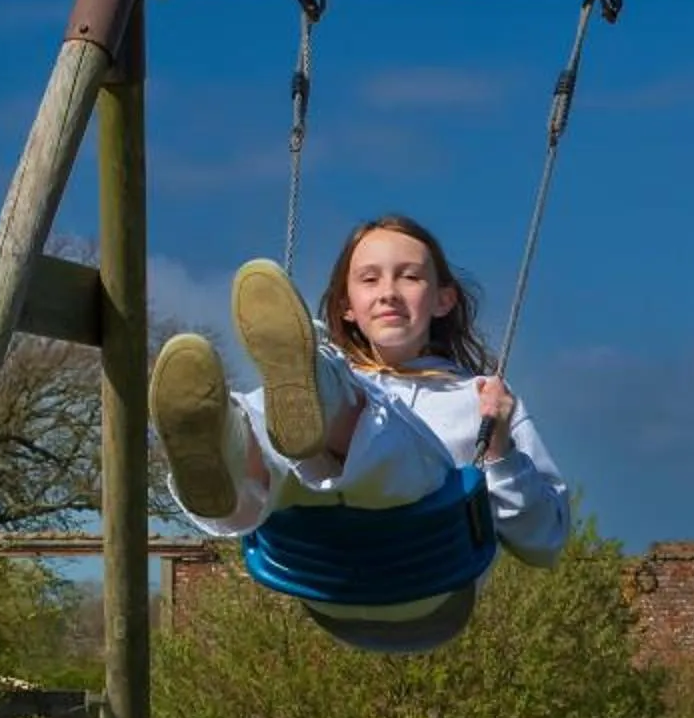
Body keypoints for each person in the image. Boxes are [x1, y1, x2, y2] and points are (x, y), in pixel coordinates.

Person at [148, 215, 573, 654]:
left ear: (444, 299)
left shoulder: (478, 397)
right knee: (265, 417)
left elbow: (546, 543)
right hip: (317, 566)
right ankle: (222, 457)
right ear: (347, 305)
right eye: (369, 279)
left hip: (427, 578)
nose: (388, 291)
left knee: (365, 420)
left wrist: (500, 450)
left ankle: (306, 417)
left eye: (409, 276)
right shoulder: (296, 387)